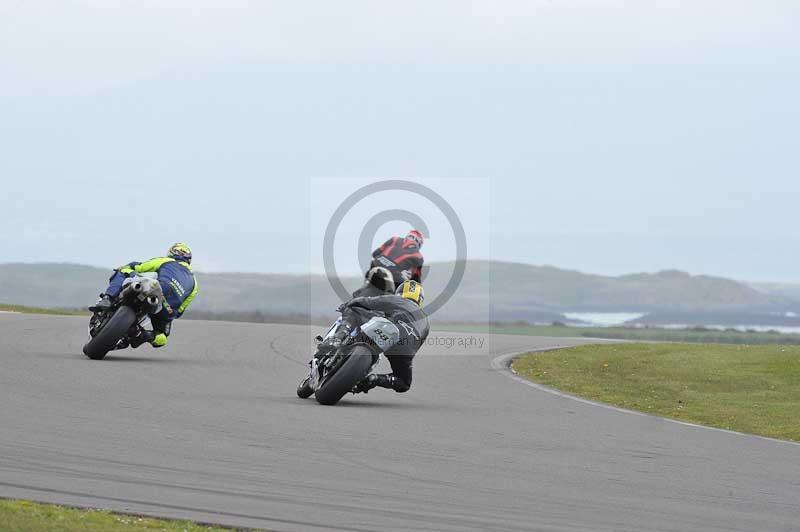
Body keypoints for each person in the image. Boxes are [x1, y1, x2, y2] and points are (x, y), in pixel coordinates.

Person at [90, 243, 198, 348]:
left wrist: (130, 267)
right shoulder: (194, 283)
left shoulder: (166, 261)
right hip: (167, 308)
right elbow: (181, 310)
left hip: (155, 288)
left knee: (123, 270)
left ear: (171, 253)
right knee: (162, 337)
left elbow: (140, 267)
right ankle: (146, 335)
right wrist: (168, 316)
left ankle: (107, 298)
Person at [340, 280, 429, 394]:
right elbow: (417, 344)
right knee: (403, 382)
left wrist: (351, 303)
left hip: (388, 328)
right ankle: (375, 379)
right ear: (420, 299)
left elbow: (370, 302)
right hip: (405, 348)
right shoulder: (426, 322)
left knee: (353, 309)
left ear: (400, 292)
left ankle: (339, 337)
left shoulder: (399, 299)